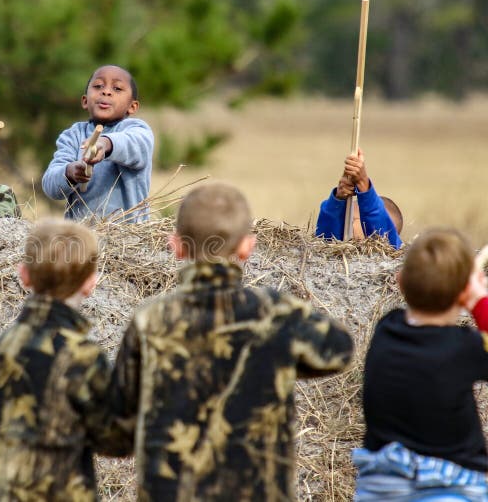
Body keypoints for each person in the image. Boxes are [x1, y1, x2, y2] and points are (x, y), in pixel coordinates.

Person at [109, 181, 354, 501]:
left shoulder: (149, 321)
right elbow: (339, 350)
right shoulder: (276, 313)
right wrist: (281, 359)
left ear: (176, 246)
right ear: (247, 248)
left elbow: (116, 431)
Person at [0, 219, 131, 501]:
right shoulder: (82, 355)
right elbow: (115, 441)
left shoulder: (1, 346)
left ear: (24, 275)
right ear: (91, 282)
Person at [353, 228, 488, 501]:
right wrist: (479, 301)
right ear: (462, 296)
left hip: (382, 484)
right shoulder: (464, 347)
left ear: (400, 281)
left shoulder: (387, 329)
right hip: (452, 483)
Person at [42, 64, 154, 222]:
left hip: (128, 236)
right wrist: (69, 173)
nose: (106, 91)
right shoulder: (72, 136)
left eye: (117, 88)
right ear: (85, 101)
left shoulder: (137, 130)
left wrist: (105, 144)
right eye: (98, 86)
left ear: (132, 106)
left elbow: (134, 145)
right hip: (82, 239)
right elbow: (50, 186)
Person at [315, 147, 402, 248]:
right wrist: (339, 199)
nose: (348, 223)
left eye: (354, 219)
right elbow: (325, 237)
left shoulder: (392, 251)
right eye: (347, 216)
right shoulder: (335, 249)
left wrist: (363, 185)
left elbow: (381, 237)